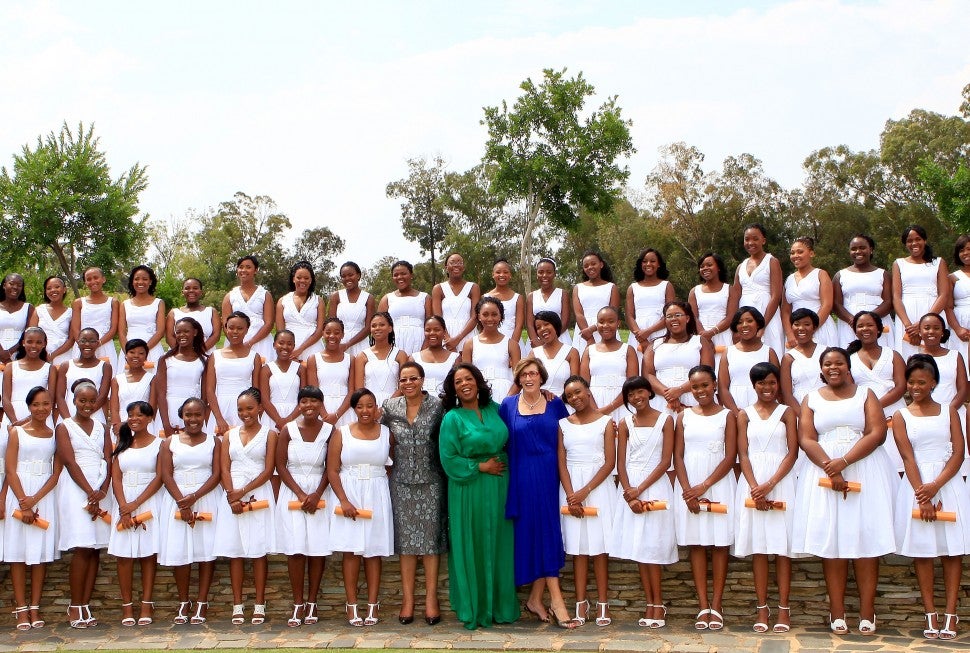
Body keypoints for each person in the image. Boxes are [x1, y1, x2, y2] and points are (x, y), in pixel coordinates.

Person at [791, 347, 897, 635]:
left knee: (865, 541)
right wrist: (832, 468)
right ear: (821, 369)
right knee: (833, 542)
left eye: (839, 363)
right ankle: (836, 611)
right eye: (827, 364)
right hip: (824, 469)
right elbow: (807, 438)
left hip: (864, 466)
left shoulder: (866, 394)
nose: (833, 368)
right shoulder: (811, 398)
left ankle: (867, 611)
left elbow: (877, 433)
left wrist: (845, 461)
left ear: (848, 367)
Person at [892, 354, 970, 640]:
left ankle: (950, 613)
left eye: (922, 382)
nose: (916, 387)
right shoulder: (900, 416)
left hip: (947, 483)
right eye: (911, 382)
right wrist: (923, 497)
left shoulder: (949, 411)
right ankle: (930, 614)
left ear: (934, 382)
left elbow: (959, 452)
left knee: (952, 551)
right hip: (917, 486)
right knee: (923, 551)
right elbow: (907, 457)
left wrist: (936, 485)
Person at [438, 363, 517, 630]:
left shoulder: (495, 409)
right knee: (473, 543)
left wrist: (546, 395)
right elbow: (448, 458)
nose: (464, 384)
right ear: (453, 389)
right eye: (458, 381)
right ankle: (476, 608)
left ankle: (500, 606)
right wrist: (480, 466)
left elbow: (521, 413)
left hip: (500, 485)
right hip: (468, 487)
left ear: (478, 381)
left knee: (499, 544)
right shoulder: (452, 418)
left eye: (468, 378)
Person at [499, 359, 577, 629]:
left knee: (549, 533)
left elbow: (570, 434)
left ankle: (541, 599)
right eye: (524, 374)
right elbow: (499, 439)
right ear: (518, 378)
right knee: (532, 535)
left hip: (549, 477)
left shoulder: (555, 404)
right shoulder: (507, 405)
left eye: (533, 373)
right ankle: (551, 600)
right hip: (521, 478)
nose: (529, 378)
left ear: (541, 377)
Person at [734, 363, 798, 634]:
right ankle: (762, 608)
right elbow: (743, 453)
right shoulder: (744, 414)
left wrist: (770, 484)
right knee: (759, 548)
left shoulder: (787, 412)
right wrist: (754, 487)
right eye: (761, 383)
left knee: (782, 548)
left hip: (781, 481)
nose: (767, 387)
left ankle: (783, 608)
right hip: (752, 483)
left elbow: (792, 452)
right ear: (754, 385)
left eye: (772, 382)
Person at [383, 362, 448, 626]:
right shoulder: (390, 407)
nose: (408, 383)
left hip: (432, 480)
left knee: (431, 543)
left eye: (413, 378)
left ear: (422, 379)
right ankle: (407, 600)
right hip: (400, 482)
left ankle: (431, 599)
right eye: (403, 379)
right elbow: (378, 436)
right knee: (406, 544)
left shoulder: (438, 406)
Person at [673, 365, 737, 631]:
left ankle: (717, 605)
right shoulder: (683, 416)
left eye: (705, 385)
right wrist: (688, 489)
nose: (700, 390)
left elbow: (731, 455)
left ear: (714, 385)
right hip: (689, 484)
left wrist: (705, 486)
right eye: (695, 386)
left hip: (718, 482)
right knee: (696, 544)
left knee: (720, 544)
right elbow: (678, 456)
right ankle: (702, 605)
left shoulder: (728, 415)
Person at [609, 376, 676, 629]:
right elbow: (621, 462)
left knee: (653, 548)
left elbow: (665, 461)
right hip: (630, 490)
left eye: (640, 392)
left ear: (649, 392)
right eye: (630, 395)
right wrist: (629, 492)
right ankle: (649, 603)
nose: (636, 398)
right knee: (639, 549)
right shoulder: (625, 422)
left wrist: (640, 489)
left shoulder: (665, 420)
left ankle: (658, 604)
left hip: (655, 485)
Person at [327, 388, 395, 627]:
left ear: (376, 407)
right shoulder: (342, 433)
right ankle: (352, 604)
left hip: (376, 492)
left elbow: (391, 464)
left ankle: (373, 604)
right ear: (354, 409)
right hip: (350, 492)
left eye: (370, 405)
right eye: (360, 406)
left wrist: (378, 484)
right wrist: (344, 500)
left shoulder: (386, 433)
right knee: (351, 551)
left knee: (373, 551)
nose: (365, 411)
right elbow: (332, 470)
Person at [214, 387, 278, 625]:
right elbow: (224, 468)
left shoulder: (270, 434)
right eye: (240, 409)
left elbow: (269, 470)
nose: (245, 413)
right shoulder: (229, 435)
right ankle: (237, 604)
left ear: (260, 408)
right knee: (236, 552)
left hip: (258, 492)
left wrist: (243, 492)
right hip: (232, 494)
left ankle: (260, 604)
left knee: (258, 551)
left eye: (250, 408)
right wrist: (232, 495)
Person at [559, 375, 617, 627]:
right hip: (570, 489)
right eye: (570, 395)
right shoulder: (563, 424)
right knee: (578, 548)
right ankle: (580, 603)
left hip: (598, 487)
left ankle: (603, 603)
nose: (575, 398)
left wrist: (585, 491)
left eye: (578, 392)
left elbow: (610, 462)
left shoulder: (606, 422)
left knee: (599, 547)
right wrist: (572, 495)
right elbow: (562, 462)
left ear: (588, 392)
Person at [158, 397, 222, 625]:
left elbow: (217, 474)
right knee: (180, 552)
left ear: (205, 416)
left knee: (206, 552)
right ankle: (184, 600)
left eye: (197, 414)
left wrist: (194, 497)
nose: (193, 419)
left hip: (205, 498)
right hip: (177, 499)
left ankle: (202, 601)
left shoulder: (214, 441)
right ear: (181, 416)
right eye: (188, 414)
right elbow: (166, 474)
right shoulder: (170, 442)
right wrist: (182, 502)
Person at [56, 380, 113, 628]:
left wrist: (102, 490)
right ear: (74, 401)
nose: (87, 405)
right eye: (83, 400)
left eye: (92, 400)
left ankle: (86, 605)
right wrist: (89, 492)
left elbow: (109, 459)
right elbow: (69, 462)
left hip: (100, 488)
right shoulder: (64, 427)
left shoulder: (102, 427)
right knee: (82, 548)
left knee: (94, 548)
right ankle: (75, 605)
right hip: (76, 488)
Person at [4, 387, 61, 631]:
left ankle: (35, 607)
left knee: (39, 554)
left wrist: (35, 499)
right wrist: (23, 501)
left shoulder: (55, 435)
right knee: (17, 554)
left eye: (46, 404)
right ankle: (21, 608)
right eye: (36, 404)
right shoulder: (16, 432)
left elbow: (56, 473)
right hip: (19, 493)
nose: (41, 409)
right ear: (29, 406)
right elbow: (10, 469)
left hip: (43, 495)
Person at [276, 385, 333, 628]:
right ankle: (298, 602)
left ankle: (312, 601)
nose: (309, 406)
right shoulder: (287, 430)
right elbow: (280, 465)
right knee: (296, 549)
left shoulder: (330, 430)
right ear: (298, 405)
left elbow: (332, 466)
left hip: (320, 492)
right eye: (304, 401)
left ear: (321, 404)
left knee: (317, 549)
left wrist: (316, 493)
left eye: (314, 401)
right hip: (293, 492)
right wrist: (300, 494)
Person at [108, 401, 163, 627]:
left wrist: (136, 504)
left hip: (147, 500)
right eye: (130, 415)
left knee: (148, 554)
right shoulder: (122, 444)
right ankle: (127, 606)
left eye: (139, 415)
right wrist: (124, 506)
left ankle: (147, 604)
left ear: (149, 418)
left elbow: (160, 477)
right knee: (124, 556)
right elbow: (116, 477)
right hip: (123, 503)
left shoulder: (159, 444)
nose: (134, 419)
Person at [847, 312, 907, 470]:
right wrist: (870, 410)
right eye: (860, 326)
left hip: (894, 411)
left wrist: (876, 405)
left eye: (870, 325)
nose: (865, 329)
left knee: (898, 460)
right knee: (872, 463)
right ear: (855, 331)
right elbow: (849, 389)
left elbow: (901, 386)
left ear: (879, 329)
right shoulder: (849, 359)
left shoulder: (893, 355)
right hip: (864, 414)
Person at [643, 301, 714, 414]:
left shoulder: (700, 342)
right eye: (669, 316)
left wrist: (680, 390)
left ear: (687, 318)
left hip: (692, 396)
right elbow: (648, 375)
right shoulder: (655, 345)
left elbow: (707, 372)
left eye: (678, 315)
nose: (674, 319)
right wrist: (669, 394)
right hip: (661, 400)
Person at [893, 225, 949, 358]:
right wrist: (909, 327)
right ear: (905, 244)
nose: (914, 243)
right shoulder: (899, 263)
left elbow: (944, 294)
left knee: (934, 356)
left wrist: (923, 323)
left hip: (932, 311)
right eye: (909, 241)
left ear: (925, 240)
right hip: (907, 316)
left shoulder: (938, 262)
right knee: (908, 356)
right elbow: (896, 296)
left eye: (918, 239)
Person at [832, 234, 893, 348]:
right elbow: (836, 304)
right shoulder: (840, 275)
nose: (858, 251)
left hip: (878, 320)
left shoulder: (883, 274)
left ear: (871, 249)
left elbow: (889, 302)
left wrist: (870, 319)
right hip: (849, 323)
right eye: (853, 249)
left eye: (862, 248)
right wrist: (853, 320)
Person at [205, 311, 260, 434]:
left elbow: (256, 391)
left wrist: (251, 414)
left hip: (245, 408)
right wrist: (219, 418)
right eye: (231, 328)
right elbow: (209, 389)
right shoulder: (215, 355)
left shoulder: (254, 357)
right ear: (226, 329)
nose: (235, 331)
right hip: (220, 407)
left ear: (246, 330)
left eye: (240, 328)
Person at [580, 306, 638, 422]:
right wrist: (595, 411)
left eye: (611, 321)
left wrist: (608, 409)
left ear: (618, 323)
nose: (605, 325)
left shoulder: (628, 350)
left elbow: (632, 385)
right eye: (601, 322)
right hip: (594, 402)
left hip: (622, 402)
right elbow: (583, 385)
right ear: (597, 325)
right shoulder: (589, 351)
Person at [735, 224, 784, 357]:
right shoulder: (740, 267)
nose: (750, 243)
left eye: (755, 239)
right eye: (747, 239)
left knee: (770, 353)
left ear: (763, 240)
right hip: (745, 314)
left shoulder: (772, 262)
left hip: (767, 314)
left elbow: (776, 296)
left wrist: (762, 325)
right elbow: (736, 296)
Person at [718, 307, 779, 413]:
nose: (744, 325)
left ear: (758, 324)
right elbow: (722, 388)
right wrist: (735, 413)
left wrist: (763, 411)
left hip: (765, 410)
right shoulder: (728, 352)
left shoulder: (768, 352)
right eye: (740, 322)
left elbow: (778, 385)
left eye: (749, 321)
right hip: (736, 407)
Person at [156, 317, 208, 435]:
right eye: (178, 332)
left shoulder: (203, 360)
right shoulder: (165, 359)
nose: (181, 335)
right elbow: (160, 394)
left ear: (195, 332)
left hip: (193, 411)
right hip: (169, 410)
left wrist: (198, 418)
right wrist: (166, 424)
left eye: (186, 331)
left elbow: (204, 396)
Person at [782, 237, 837, 348]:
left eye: (800, 252)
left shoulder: (821, 274)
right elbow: (785, 310)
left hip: (819, 328)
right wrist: (790, 334)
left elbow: (827, 305)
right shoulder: (789, 279)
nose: (795, 255)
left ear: (811, 253)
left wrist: (811, 329)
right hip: (796, 331)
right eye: (792, 253)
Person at [461, 297, 519, 398]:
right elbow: (466, 376)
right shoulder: (469, 344)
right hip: (479, 394)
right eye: (485, 314)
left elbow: (519, 378)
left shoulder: (512, 345)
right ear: (479, 316)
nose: (490, 319)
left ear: (501, 316)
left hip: (504, 393)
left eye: (494, 314)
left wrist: (507, 400)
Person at [1, 327, 55, 431]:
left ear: (44, 344)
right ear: (23, 343)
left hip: (40, 417)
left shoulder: (50, 369)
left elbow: (51, 399)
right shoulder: (10, 367)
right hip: (12, 416)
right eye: (30, 342)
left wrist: (27, 421)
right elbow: (6, 398)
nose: (34, 346)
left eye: (38, 342)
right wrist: (15, 422)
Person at [626, 248, 676, 359]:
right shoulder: (633, 288)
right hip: (638, 335)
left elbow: (670, 314)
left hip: (660, 332)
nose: (648, 264)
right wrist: (641, 338)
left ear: (659, 264)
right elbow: (629, 316)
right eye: (644, 261)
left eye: (652, 261)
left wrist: (648, 331)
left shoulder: (666, 286)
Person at [222, 255, 275, 360]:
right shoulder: (230, 296)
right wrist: (237, 343)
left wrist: (250, 343)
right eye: (241, 267)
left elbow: (269, 323)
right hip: (235, 342)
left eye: (248, 267)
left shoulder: (265, 294)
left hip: (260, 342)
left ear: (255, 270)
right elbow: (225, 324)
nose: (244, 270)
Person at [688, 253, 737, 362]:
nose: (705, 268)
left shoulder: (729, 289)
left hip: (723, 333)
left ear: (718, 267)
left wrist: (712, 332)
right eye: (702, 266)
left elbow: (731, 317)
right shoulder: (694, 291)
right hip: (701, 334)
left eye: (709, 265)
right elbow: (692, 316)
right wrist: (704, 335)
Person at [57, 327, 111, 424]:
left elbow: (103, 396)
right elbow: (60, 396)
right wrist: (69, 421)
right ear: (77, 342)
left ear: (98, 343)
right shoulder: (66, 366)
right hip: (68, 415)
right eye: (83, 341)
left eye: (92, 341)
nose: (87, 344)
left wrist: (85, 414)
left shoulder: (105, 367)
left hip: (94, 416)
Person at [309, 317, 356, 427]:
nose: (332, 336)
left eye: (337, 333)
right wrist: (324, 415)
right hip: (321, 408)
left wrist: (337, 415)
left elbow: (352, 391)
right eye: (328, 332)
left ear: (343, 335)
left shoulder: (350, 359)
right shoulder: (313, 359)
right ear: (322, 333)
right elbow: (313, 391)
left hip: (344, 409)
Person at [70, 266, 119, 370]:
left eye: (96, 278)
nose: (93, 281)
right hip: (83, 346)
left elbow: (114, 328)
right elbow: (75, 328)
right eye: (89, 279)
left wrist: (98, 343)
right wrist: (84, 344)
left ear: (103, 279)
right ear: (85, 282)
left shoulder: (113, 302)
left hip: (105, 345)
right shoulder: (78, 303)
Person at [571, 251, 620, 355]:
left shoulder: (611, 287)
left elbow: (613, 313)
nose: (590, 267)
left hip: (606, 329)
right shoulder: (578, 288)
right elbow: (578, 314)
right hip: (584, 332)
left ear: (601, 264)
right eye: (586, 266)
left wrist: (592, 329)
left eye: (593, 264)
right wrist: (589, 337)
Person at [355, 312, 408, 406]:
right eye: (374, 326)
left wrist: (386, 406)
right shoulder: (362, 356)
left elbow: (403, 385)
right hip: (369, 406)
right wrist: (371, 407)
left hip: (395, 405)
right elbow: (359, 389)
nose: (377, 328)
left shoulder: (400, 355)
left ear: (390, 328)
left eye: (382, 325)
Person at [276, 261, 325, 361]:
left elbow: (320, 330)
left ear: (311, 280)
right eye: (299, 277)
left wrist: (300, 349)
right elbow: (280, 331)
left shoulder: (318, 301)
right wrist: (288, 349)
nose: (302, 281)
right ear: (293, 279)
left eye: (306, 278)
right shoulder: (283, 301)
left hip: (313, 347)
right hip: (289, 349)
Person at [378, 260, 430, 355]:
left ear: (411, 275)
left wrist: (424, 349)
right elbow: (379, 327)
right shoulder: (387, 299)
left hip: (420, 342)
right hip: (394, 343)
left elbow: (431, 326)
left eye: (403, 274)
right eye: (396, 275)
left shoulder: (424, 298)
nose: (399, 277)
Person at [432, 253, 480, 352]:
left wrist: (458, 339)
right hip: (445, 336)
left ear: (463, 267)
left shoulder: (473, 287)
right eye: (452, 262)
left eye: (459, 262)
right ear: (446, 267)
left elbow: (475, 317)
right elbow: (437, 318)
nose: (456, 265)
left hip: (467, 335)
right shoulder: (438, 288)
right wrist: (447, 339)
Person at [259, 330, 306, 431]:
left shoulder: (300, 369)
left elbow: (304, 399)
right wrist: (278, 420)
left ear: (293, 346)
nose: (285, 347)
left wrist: (289, 419)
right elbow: (264, 399)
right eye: (281, 343)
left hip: (295, 415)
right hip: (272, 416)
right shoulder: (266, 369)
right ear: (274, 345)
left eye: (289, 344)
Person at [109, 339, 157, 439]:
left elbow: (151, 408)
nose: (136, 356)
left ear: (146, 357)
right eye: (132, 352)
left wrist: (132, 423)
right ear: (126, 355)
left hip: (144, 426)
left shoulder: (152, 379)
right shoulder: (117, 380)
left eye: (141, 353)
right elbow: (114, 408)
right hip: (120, 427)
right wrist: (118, 426)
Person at [779, 308, 825, 411]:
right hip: (799, 408)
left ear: (814, 327)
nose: (801, 328)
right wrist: (803, 415)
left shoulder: (826, 352)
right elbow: (787, 394)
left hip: (825, 406)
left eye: (807, 324)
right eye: (796, 324)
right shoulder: (788, 358)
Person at [119, 265, 166, 363]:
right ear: (132, 282)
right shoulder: (125, 304)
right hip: (129, 348)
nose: (140, 282)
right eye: (136, 279)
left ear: (150, 281)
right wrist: (129, 353)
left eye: (145, 279)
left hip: (152, 348)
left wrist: (143, 351)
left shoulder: (159, 303)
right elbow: (121, 333)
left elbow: (160, 331)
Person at [527, 311, 579, 397]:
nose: (542, 329)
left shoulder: (571, 352)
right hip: (538, 400)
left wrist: (558, 401)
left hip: (564, 401)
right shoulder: (534, 353)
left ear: (555, 325)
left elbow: (575, 383)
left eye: (546, 324)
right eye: (538, 327)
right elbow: (528, 380)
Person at [328, 261, 374, 357]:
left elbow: (368, 327)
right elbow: (331, 324)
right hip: (339, 342)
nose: (347, 278)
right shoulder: (336, 296)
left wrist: (348, 344)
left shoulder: (368, 298)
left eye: (350, 275)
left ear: (358, 276)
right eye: (343, 276)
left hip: (361, 343)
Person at [166, 278, 221, 354]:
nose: (191, 290)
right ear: (182, 292)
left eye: (195, 288)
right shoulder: (174, 313)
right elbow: (169, 337)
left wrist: (198, 352)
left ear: (201, 292)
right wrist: (183, 354)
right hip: (179, 355)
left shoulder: (211, 312)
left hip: (206, 355)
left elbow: (216, 335)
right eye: (187, 288)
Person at [526, 257, 571, 349]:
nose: (544, 275)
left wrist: (548, 339)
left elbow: (565, 322)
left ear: (554, 274)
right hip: (537, 341)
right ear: (537, 274)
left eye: (549, 272)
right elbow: (529, 324)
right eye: (541, 272)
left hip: (559, 338)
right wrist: (535, 340)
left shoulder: (563, 294)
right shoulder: (531, 296)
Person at [29, 275, 74, 365]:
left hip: (64, 355)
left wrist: (52, 355)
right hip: (40, 354)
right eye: (49, 288)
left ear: (64, 289)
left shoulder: (71, 313)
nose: (53, 290)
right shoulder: (39, 310)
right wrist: (43, 354)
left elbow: (71, 339)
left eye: (57, 287)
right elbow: (31, 335)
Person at [411, 316, 459, 398]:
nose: (432, 333)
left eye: (437, 330)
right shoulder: (414, 358)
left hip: (445, 402)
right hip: (420, 402)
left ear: (444, 332)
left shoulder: (455, 358)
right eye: (428, 330)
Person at [485, 259, 525, 353]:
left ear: (510, 275)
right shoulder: (485, 297)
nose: (502, 275)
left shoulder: (518, 298)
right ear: (493, 274)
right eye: (498, 272)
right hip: (491, 343)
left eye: (505, 272)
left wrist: (512, 348)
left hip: (513, 341)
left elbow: (519, 325)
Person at [945, 234, 970, 376]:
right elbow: (948, 307)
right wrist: (958, 329)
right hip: (961, 324)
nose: (965, 253)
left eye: (969, 249)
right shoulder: (953, 277)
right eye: (962, 250)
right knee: (962, 367)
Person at [0, 273, 34, 365]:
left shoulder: (28, 308)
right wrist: (2, 354)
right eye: (11, 284)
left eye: (19, 285)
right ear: (4, 285)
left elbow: (29, 333)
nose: (15, 287)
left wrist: (10, 352)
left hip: (20, 353)